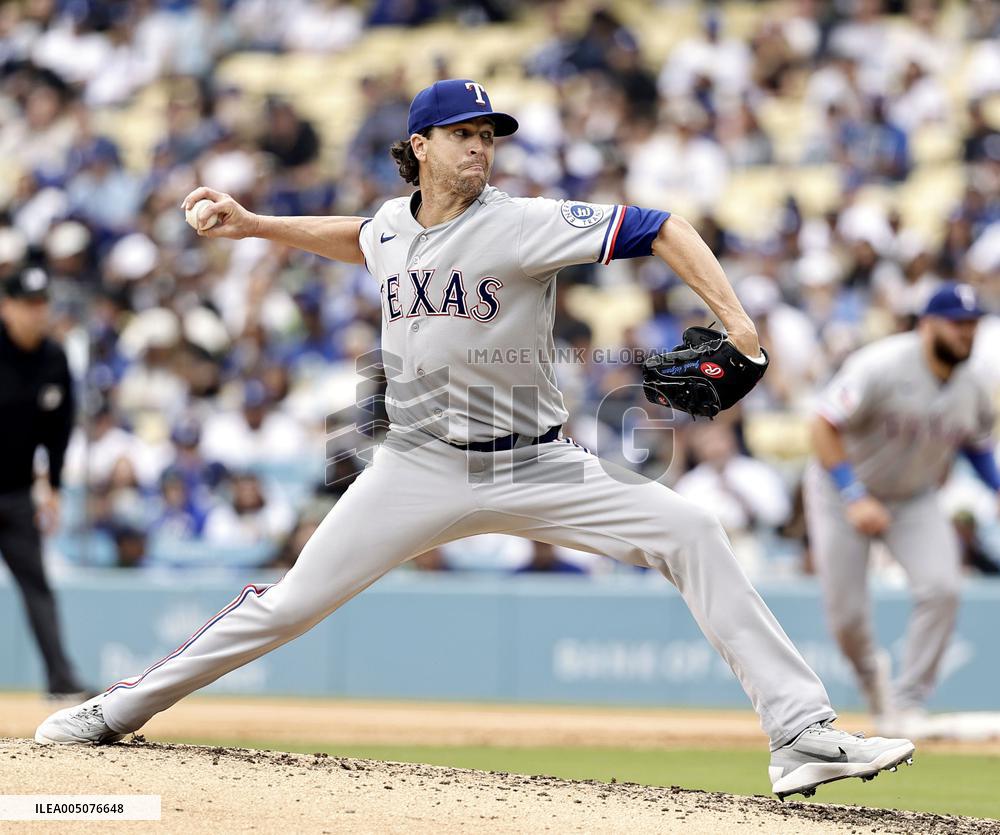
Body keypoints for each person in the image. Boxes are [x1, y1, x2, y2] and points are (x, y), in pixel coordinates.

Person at [36, 79, 914, 800]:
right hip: (415, 464)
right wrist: (259, 226)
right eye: (461, 133)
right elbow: (366, 239)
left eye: (488, 133)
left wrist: (744, 331)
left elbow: (663, 228)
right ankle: (116, 709)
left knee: (692, 531)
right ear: (418, 145)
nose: (480, 147)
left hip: (538, 461)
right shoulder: (389, 223)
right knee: (290, 603)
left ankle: (800, 733)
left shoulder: (519, 220)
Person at [806, 282, 998, 739]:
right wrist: (853, 494)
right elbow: (821, 424)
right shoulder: (882, 364)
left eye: (973, 325)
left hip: (914, 497)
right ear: (927, 324)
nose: (967, 334)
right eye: (957, 324)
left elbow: (976, 444)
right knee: (847, 618)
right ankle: (876, 686)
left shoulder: (974, 384)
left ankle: (908, 702)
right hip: (842, 493)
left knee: (943, 588)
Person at [0, 266, 89, 700]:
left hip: (16, 493)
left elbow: (60, 430)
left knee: (38, 588)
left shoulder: (53, 358)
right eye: (28, 304)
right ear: (7, 306)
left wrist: (51, 486)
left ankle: (61, 679)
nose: (38, 313)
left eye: (42, 304)